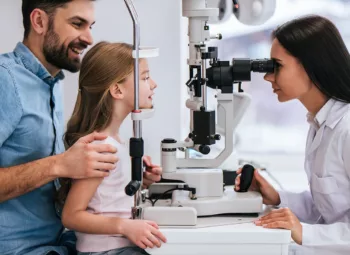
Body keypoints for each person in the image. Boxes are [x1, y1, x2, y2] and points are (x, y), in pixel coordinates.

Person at [0, 1, 161, 254]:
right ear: (39, 21)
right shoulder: (5, 81)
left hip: (62, 244)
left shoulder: (51, 84)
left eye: (90, 26)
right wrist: (59, 164)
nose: (88, 38)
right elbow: (66, 186)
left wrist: (132, 178)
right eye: (77, 24)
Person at [235, 15, 350, 255]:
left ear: (311, 65)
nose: (268, 77)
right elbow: (330, 208)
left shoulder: (346, 129)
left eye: (277, 66)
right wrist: (277, 197)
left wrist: (304, 232)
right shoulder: (320, 122)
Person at [60, 41, 167, 255]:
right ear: (117, 89)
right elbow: (71, 216)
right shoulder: (101, 148)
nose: (153, 84)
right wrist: (124, 226)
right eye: (145, 77)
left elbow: (107, 199)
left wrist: (140, 181)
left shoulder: (115, 142)